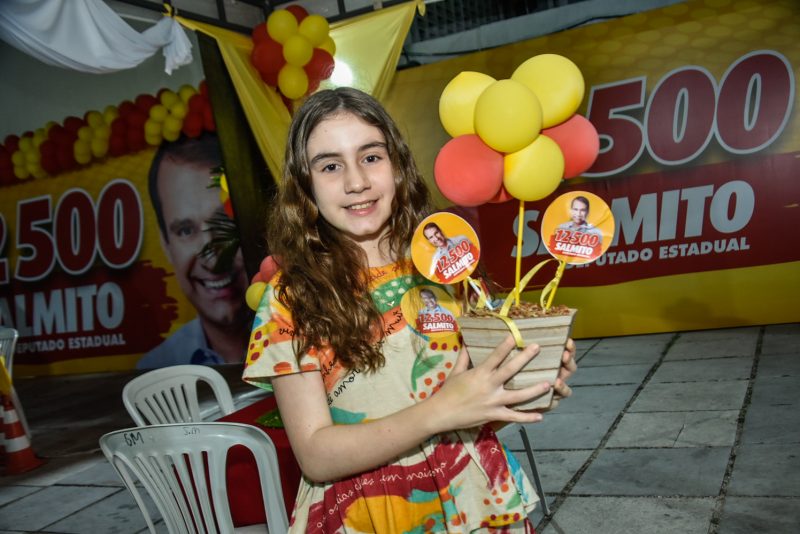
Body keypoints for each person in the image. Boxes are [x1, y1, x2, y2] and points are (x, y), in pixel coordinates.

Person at [243, 87, 576, 533]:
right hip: (373, 513)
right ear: (304, 187)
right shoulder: (292, 298)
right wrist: (441, 410)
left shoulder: (445, 268)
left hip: (477, 498)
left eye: (371, 157)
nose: (355, 181)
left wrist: (524, 384)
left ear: (398, 166)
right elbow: (316, 455)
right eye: (330, 165)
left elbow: (472, 405)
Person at [136, 132, 252, 369]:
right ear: (166, 244)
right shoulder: (156, 369)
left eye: (226, 222)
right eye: (186, 231)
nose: (213, 260)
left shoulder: (309, 340)